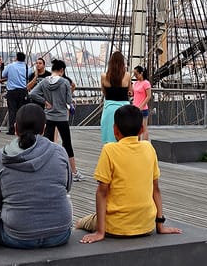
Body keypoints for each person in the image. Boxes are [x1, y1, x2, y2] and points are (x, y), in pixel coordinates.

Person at [77, 104, 183, 243]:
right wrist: (160, 225)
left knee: (80, 223)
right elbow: (155, 189)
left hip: (115, 226)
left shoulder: (109, 150)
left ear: (115, 129)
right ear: (142, 129)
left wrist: (100, 232)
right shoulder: (149, 148)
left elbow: (102, 193)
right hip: (146, 225)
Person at [0, 103, 73, 249]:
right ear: (44, 129)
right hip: (59, 233)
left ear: (15, 128)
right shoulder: (60, 152)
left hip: (17, 236)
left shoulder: (0, 158)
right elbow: (67, 187)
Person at [28, 59, 83, 182]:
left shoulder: (44, 82)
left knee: (47, 143)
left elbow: (32, 94)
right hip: (62, 117)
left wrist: (45, 102)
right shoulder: (64, 83)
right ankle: (73, 172)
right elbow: (68, 101)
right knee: (67, 143)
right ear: (62, 70)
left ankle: (44, 169)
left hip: (48, 116)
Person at [100, 51, 132, 145]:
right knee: (125, 137)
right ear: (123, 63)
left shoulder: (104, 76)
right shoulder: (127, 75)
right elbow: (129, 92)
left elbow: (104, 93)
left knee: (109, 139)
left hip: (109, 108)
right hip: (124, 109)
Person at [4, 52, 30, 135]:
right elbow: (29, 76)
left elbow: (3, 75)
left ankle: (12, 129)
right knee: (21, 111)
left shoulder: (10, 66)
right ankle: (21, 129)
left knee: (12, 111)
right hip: (23, 91)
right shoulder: (27, 68)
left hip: (12, 91)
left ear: (16, 58)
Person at [131, 65, 152, 140]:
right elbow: (134, 93)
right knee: (137, 128)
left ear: (141, 73)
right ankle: (137, 144)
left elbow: (148, 96)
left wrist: (141, 106)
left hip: (142, 109)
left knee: (144, 128)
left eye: (136, 74)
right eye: (134, 74)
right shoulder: (135, 83)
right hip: (135, 108)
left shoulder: (146, 83)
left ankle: (145, 145)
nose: (135, 76)